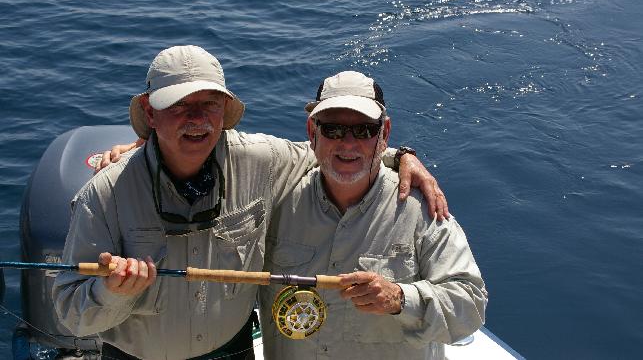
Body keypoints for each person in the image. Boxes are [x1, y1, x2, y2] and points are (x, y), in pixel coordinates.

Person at [53, 45, 448, 360]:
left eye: (209, 104)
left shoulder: (265, 160)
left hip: (234, 352)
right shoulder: (104, 193)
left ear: (225, 111)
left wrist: (402, 156)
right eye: (179, 106)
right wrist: (113, 292)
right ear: (149, 114)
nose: (197, 119)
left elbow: (338, 151)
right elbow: (72, 317)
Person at [258, 71, 487, 359]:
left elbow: (471, 305)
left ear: (384, 134)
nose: (348, 143)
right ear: (312, 132)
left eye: (364, 130)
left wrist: (401, 299)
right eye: (333, 129)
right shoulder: (278, 198)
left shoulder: (423, 208)